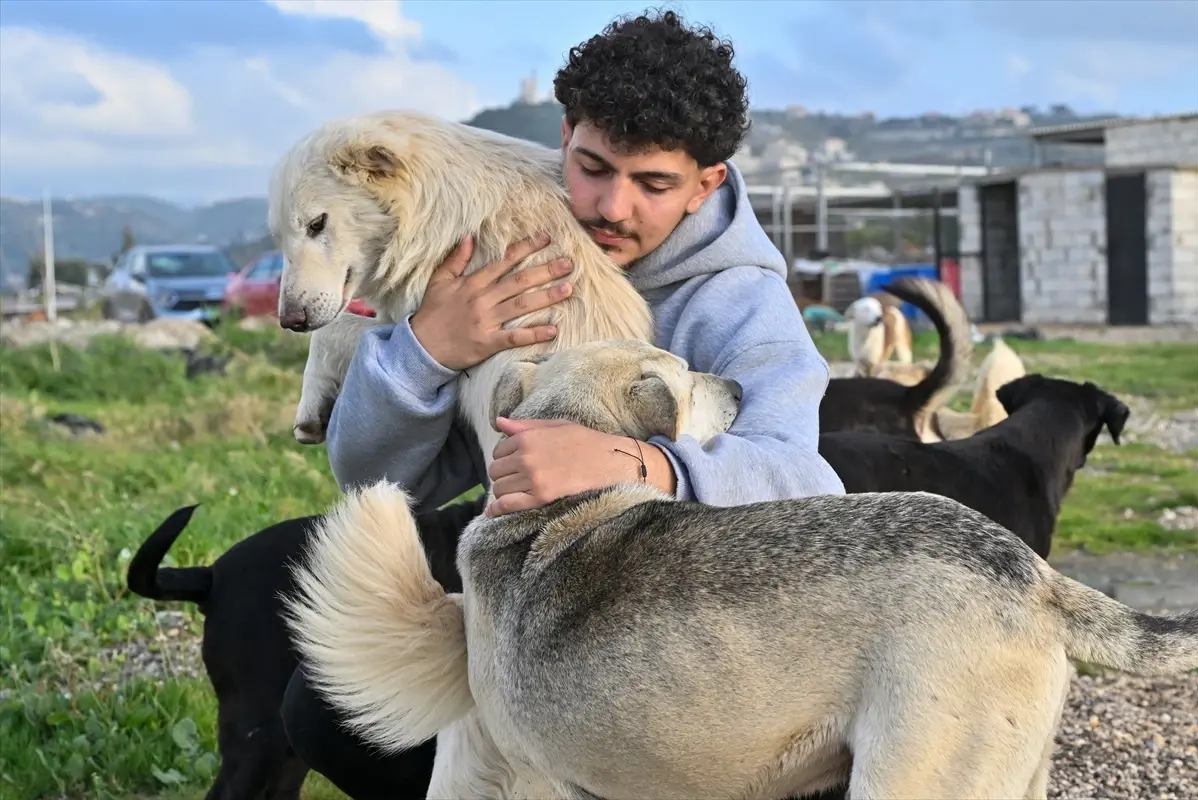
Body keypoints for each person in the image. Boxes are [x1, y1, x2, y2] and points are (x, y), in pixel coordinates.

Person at [281, 9, 846, 798]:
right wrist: (428, 349)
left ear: (706, 183)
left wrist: (634, 461)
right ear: (564, 134)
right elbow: (378, 477)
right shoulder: (500, 250)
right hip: (540, 598)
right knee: (318, 711)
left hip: (678, 626)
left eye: (653, 183)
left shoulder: (742, 305)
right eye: (592, 166)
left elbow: (806, 482)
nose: (612, 205)